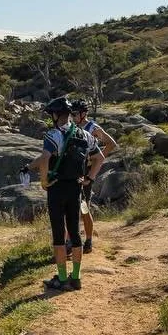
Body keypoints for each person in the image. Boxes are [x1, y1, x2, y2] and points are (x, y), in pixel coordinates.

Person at [25, 96, 104, 291]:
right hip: (76, 187)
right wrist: (89, 178)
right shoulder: (85, 135)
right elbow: (99, 157)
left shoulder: (53, 134)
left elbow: (45, 159)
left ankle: (61, 278)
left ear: (55, 114)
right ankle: (76, 278)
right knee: (75, 234)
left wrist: (44, 182)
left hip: (57, 188)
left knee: (59, 235)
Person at [70, 99, 116, 254]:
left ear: (83, 114)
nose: (72, 116)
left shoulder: (93, 127)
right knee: (71, 208)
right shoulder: (73, 127)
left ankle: (88, 240)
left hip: (87, 174)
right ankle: (71, 240)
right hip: (75, 171)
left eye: (75, 114)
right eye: (71, 114)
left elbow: (111, 143)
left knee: (83, 208)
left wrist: (98, 157)